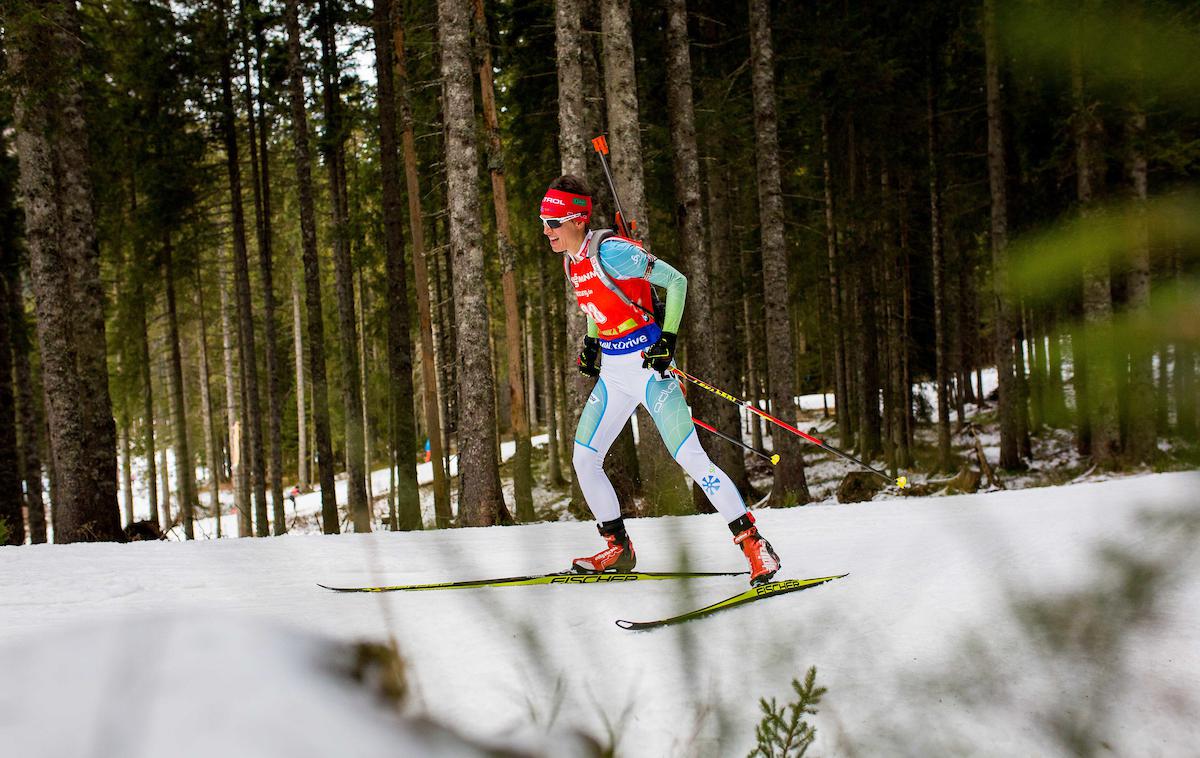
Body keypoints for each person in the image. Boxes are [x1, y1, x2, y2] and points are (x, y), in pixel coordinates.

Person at [541, 175, 781, 586]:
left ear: (578, 220)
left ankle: (755, 544)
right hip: (614, 376)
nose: (546, 229)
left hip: (649, 369)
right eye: (543, 220)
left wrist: (666, 340)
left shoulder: (612, 252)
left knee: (690, 458)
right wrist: (592, 344)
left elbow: (676, 281)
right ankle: (618, 547)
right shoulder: (570, 260)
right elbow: (596, 306)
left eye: (553, 221)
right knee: (584, 458)